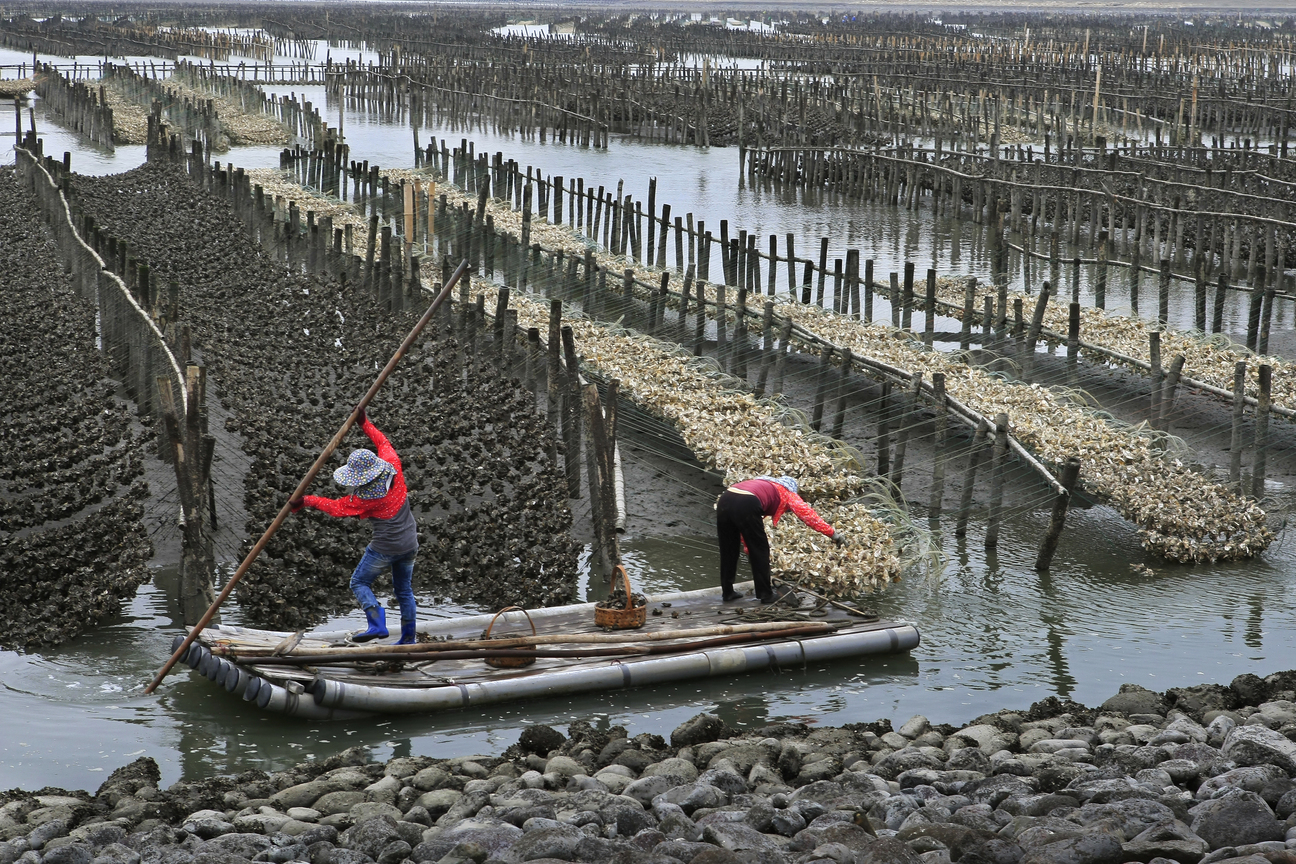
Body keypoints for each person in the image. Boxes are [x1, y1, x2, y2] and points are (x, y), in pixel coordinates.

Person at [290, 408, 419, 644]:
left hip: (385, 548)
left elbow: (335, 508)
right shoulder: (394, 466)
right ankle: (409, 638)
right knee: (404, 591)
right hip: (410, 543)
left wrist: (306, 500)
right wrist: (365, 423)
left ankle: (377, 625)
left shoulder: (364, 500)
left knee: (359, 582)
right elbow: (383, 441)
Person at [715, 475, 844, 604]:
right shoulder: (787, 492)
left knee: (728, 549)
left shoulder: (765, 485)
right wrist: (833, 534)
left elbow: (745, 529)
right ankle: (766, 595)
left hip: (726, 499)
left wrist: (749, 548)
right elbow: (810, 516)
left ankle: (728, 592)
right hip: (747, 502)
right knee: (761, 550)